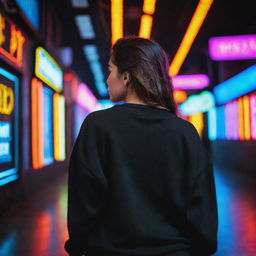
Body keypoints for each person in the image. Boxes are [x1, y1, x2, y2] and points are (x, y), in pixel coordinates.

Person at [64, 36, 218, 256]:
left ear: (126, 77)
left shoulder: (98, 126)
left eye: (110, 70)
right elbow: (202, 210)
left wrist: (79, 246)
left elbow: (84, 203)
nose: (107, 79)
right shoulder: (185, 133)